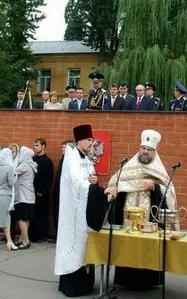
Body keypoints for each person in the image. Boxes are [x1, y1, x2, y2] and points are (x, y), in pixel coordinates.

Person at [108, 129, 178, 291]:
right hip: (128, 214)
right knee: (128, 243)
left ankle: (148, 280)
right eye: (143, 148)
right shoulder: (129, 165)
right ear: (139, 148)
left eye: (149, 149)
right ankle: (125, 278)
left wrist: (155, 187)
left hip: (149, 215)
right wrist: (118, 189)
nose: (145, 152)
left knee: (148, 246)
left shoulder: (158, 169)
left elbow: (170, 192)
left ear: (154, 152)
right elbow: (114, 182)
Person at [54, 124, 117, 297]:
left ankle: (86, 284)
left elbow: (89, 180)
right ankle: (73, 286)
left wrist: (95, 182)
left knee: (84, 244)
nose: (92, 143)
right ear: (79, 140)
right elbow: (77, 183)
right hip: (74, 211)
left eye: (91, 139)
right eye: (89, 140)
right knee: (74, 244)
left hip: (84, 208)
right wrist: (100, 190)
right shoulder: (71, 158)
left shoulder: (86, 159)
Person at [13, 146, 38, 249]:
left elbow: (13, 172)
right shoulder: (31, 164)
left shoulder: (24, 165)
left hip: (23, 196)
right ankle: (22, 239)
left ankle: (26, 241)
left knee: (20, 218)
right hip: (30, 196)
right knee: (26, 219)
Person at [30, 138, 54, 242]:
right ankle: (31, 235)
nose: (35, 147)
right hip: (31, 191)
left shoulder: (48, 161)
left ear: (43, 146)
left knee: (41, 214)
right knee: (32, 214)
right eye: (35, 145)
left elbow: (49, 178)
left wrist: (43, 191)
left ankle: (40, 235)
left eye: (37, 145)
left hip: (42, 193)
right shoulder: (33, 159)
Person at [52, 139, 75, 240]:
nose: (62, 149)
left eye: (64, 147)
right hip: (58, 193)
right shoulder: (62, 160)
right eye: (62, 147)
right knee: (57, 216)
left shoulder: (72, 162)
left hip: (67, 195)